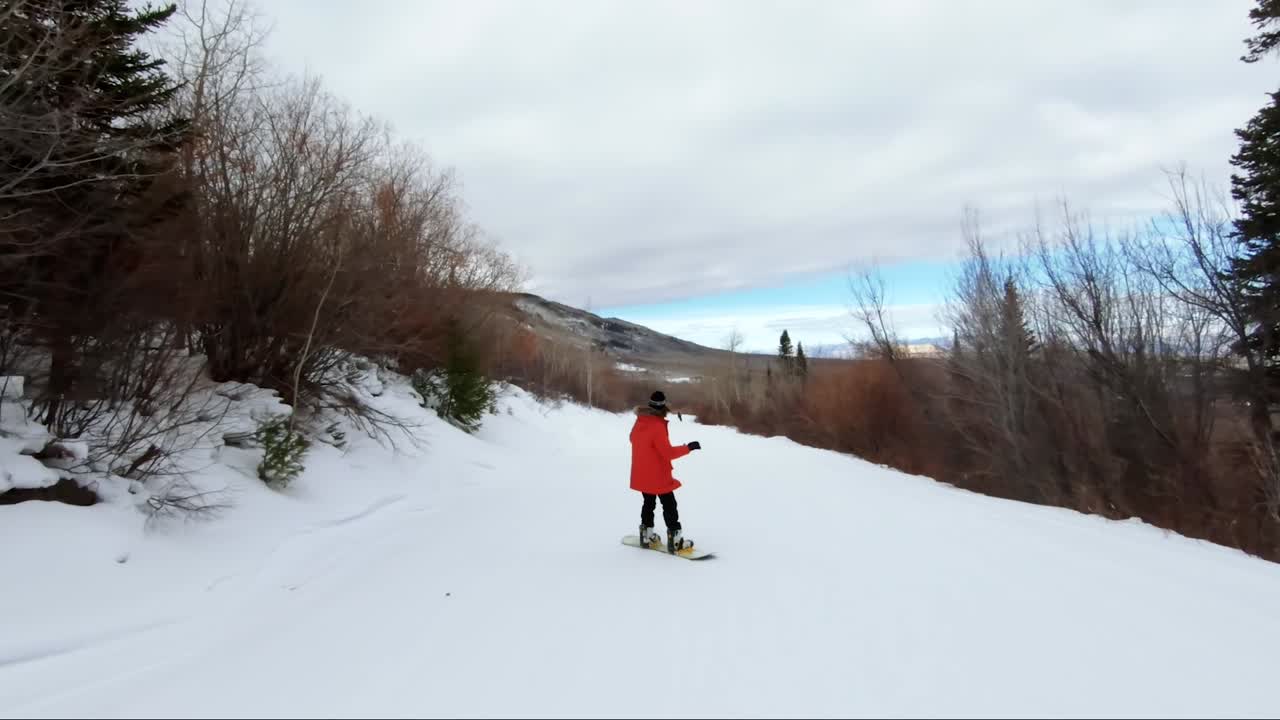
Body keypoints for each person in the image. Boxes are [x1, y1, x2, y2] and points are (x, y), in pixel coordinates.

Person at [629, 390, 701, 553]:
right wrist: (688, 447)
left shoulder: (640, 421)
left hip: (641, 473)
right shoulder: (657, 426)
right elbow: (667, 453)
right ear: (663, 408)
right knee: (669, 505)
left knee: (648, 503)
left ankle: (646, 536)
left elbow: (633, 439)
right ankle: (675, 541)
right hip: (657, 475)